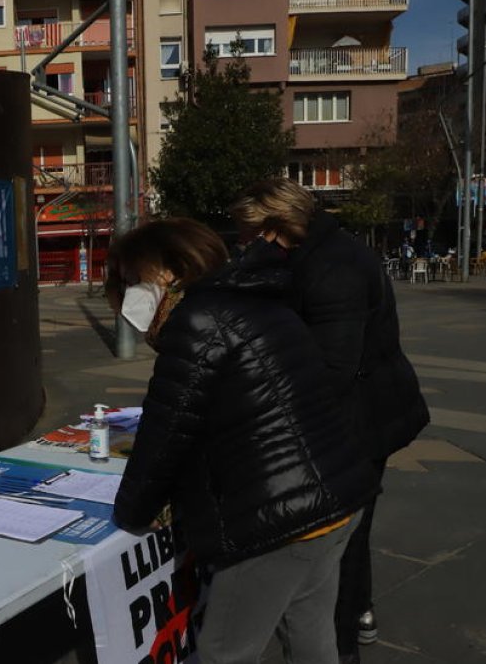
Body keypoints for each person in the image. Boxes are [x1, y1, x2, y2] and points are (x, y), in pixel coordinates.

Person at [109, 218, 377, 664]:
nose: (129, 292)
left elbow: (165, 433)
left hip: (278, 520)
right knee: (309, 633)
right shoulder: (255, 299)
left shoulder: (198, 319)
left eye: (134, 279)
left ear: (172, 271)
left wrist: (130, 514)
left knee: (223, 652)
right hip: (335, 498)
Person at [229, 179, 429, 664]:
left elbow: (331, 369)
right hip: (358, 413)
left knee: (340, 539)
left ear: (276, 228)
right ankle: (359, 612)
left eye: (249, 233)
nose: (242, 243)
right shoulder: (317, 253)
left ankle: (341, 646)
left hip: (354, 422)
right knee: (350, 530)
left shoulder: (333, 267)